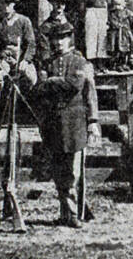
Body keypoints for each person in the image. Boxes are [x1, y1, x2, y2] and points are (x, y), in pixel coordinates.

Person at [36, 21, 101, 228]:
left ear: (70, 39)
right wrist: (54, 82)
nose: (59, 43)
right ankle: (66, 212)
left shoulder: (79, 62)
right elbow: (40, 89)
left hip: (75, 122)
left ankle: (74, 213)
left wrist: (93, 121)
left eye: (63, 38)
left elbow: (75, 86)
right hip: (54, 122)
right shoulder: (48, 63)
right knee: (58, 170)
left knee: (74, 171)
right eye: (55, 39)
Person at [0, 0, 38, 89]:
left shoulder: (24, 21)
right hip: (2, 60)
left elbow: (31, 43)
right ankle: (0, 103)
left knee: (31, 79)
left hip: (21, 59)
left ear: (14, 4)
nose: (6, 6)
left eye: (9, 2)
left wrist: (26, 60)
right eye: (3, 2)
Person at [77, 0, 111, 66]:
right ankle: (91, 60)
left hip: (102, 12)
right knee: (91, 36)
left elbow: (109, 4)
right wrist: (83, 16)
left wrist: (108, 18)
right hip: (91, 12)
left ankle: (101, 61)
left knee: (102, 35)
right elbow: (82, 5)